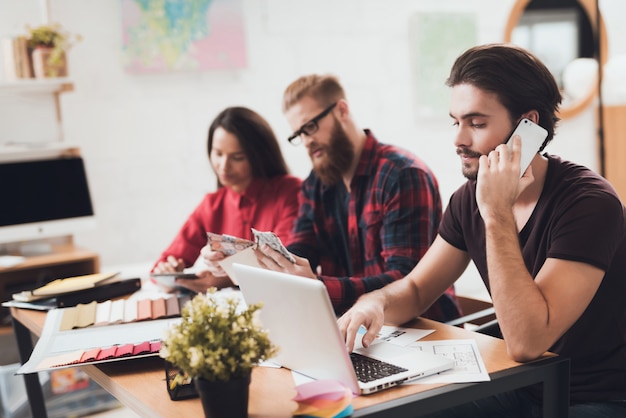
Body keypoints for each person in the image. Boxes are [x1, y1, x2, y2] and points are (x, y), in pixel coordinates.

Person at [338, 44, 626, 417]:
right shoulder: (467, 200)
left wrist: (496, 213)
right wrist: (374, 302)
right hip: (523, 383)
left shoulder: (590, 203)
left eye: (476, 123)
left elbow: (527, 341)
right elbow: (415, 289)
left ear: (529, 126)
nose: (459, 139)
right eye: (455, 121)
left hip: (597, 394)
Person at [255, 73, 461, 322]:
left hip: (421, 329)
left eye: (310, 127)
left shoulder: (403, 175)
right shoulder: (316, 183)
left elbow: (405, 279)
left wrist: (318, 286)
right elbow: (302, 249)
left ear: (342, 110)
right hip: (354, 327)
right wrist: (268, 263)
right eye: (299, 134)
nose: (307, 141)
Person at [152, 106, 302, 293]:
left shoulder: (290, 192)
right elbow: (161, 268)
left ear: (258, 156)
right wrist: (168, 272)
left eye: (237, 157)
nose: (224, 166)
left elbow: (287, 263)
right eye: (218, 154)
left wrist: (225, 278)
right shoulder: (212, 205)